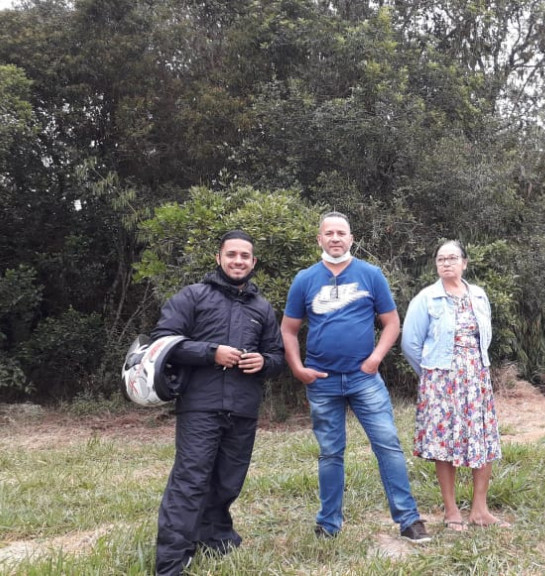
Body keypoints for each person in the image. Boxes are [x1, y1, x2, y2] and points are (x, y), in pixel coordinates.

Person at [280, 211, 431, 543]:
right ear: (319, 239)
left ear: (351, 238)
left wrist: (375, 358)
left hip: (364, 379)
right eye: (329, 233)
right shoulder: (305, 279)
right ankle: (328, 524)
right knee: (331, 453)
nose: (335, 238)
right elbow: (288, 330)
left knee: (388, 446)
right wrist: (297, 368)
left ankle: (408, 520)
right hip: (322, 381)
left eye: (341, 233)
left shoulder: (370, 275)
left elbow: (392, 323)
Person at [151, 230, 286, 576]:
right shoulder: (193, 297)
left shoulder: (262, 307)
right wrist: (212, 353)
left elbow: (276, 356)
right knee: (191, 479)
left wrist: (264, 363)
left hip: (243, 408)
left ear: (253, 262)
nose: (238, 261)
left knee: (228, 480)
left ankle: (216, 539)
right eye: (232, 255)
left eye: (245, 256)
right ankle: (171, 562)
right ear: (219, 258)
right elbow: (162, 343)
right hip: (201, 406)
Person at [401, 240, 507, 532]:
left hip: (477, 379)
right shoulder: (426, 298)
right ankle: (451, 512)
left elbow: (484, 336)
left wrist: (473, 369)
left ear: (465, 263)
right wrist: (432, 374)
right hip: (440, 382)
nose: (446, 263)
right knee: (443, 444)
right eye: (440, 259)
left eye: (452, 258)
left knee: (482, 441)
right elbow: (410, 343)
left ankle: (480, 510)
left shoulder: (480, 296)